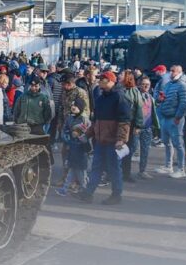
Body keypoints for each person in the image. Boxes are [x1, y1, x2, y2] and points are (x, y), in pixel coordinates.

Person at [76, 71, 131, 205]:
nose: (99, 80)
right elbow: (96, 121)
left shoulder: (120, 97)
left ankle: (116, 195)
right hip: (101, 140)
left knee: (113, 168)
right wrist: (87, 134)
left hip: (112, 141)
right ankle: (88, 193)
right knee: (97, 167)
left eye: (102, 79)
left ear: (110, 81)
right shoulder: (101, 98)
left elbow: (125, 120)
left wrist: (121, 139)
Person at [155, 65, 186, 179]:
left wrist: (178, 116)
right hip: (165, 117)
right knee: (166, 142)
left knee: (178, 144)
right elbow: (162, 98)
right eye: (170, 71)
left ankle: (181, 169)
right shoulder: (169, 84)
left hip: (175, 119)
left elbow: (184, 102)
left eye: (173, 71)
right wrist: (160, 100)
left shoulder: (183, 85)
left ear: (180, 72)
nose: (171, 73)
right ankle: (168, 166)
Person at [57, 97, 91, 196]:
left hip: (81, 149)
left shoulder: (85, 120)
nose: (73, 107)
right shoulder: (69, 117)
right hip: (72, 147)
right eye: (72, 105)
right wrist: (67, 137)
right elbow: (65, 129)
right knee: (71, 169)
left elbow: (87, 134)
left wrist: (80, 135)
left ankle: (84, 189)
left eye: (75, 105)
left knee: (81, 172)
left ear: (80, 107)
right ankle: (65, 188)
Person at [119, 70, 143, 184]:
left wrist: (138, 125)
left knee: (127, 149)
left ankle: (126, 173)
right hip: (117, 122)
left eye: (122, 75)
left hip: (130, 123)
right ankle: (114, 172)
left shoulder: (135, 91)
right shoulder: (116, 89)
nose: (119, 76)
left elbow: (139, 108)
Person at [136, 76, 159, 180]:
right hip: (136, 128)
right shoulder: (135, 96)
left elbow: (152, 109)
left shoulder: (150, 97)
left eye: (148, 84)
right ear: (139, 85)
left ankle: (142, 171)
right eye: (144, 84)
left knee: (145, 151)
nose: (146, 86)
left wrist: (159, 101)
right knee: (130, 150)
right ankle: (122, 171)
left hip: (148, 128)